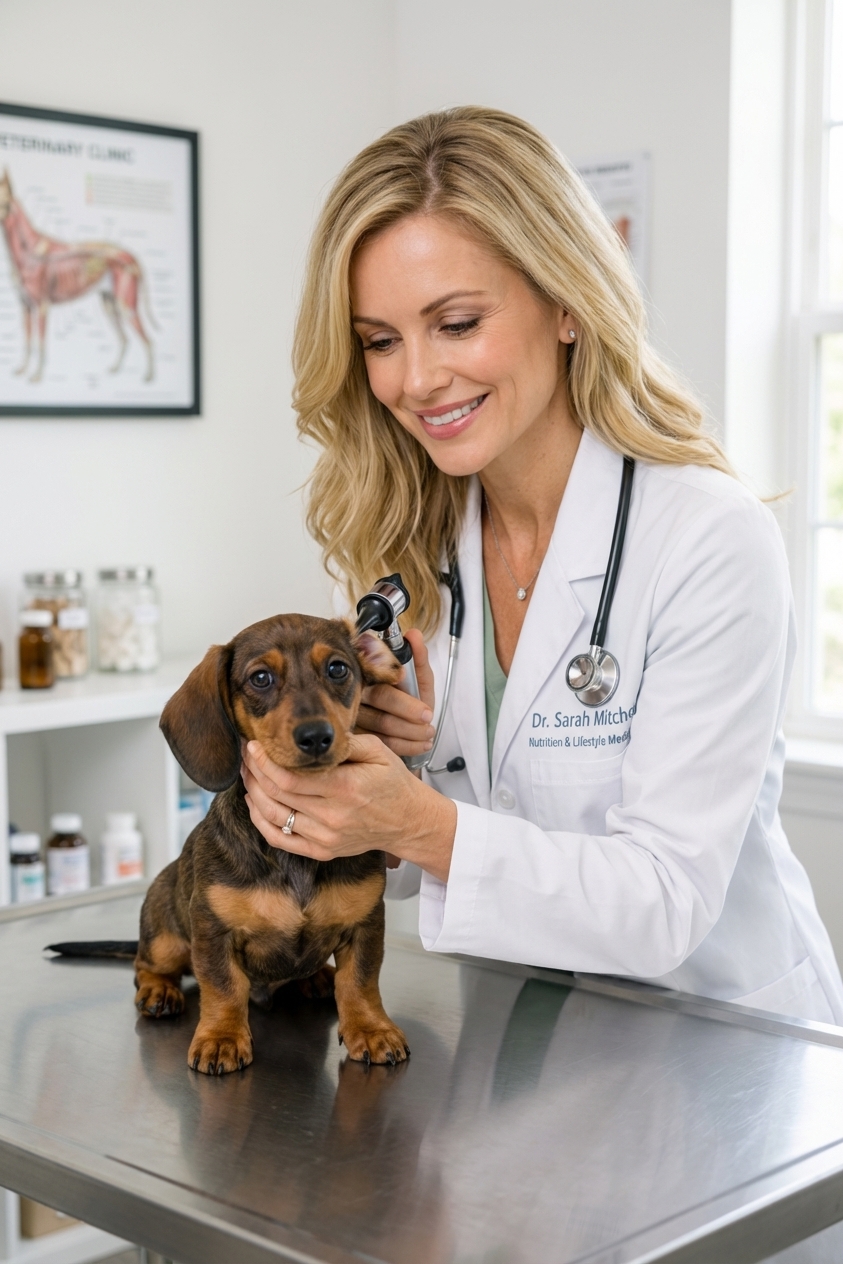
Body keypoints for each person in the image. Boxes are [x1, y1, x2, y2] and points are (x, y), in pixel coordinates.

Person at [241, 106, 843, 1023]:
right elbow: (396, 882)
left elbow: (664, 900)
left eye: (455, 322)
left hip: (722, 1042)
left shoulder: (705, 538)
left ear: (566, 303)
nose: (415, 379)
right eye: (379, 340)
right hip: (517, 1032)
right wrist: (348, 796)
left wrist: (415, 820)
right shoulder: (400, 549)